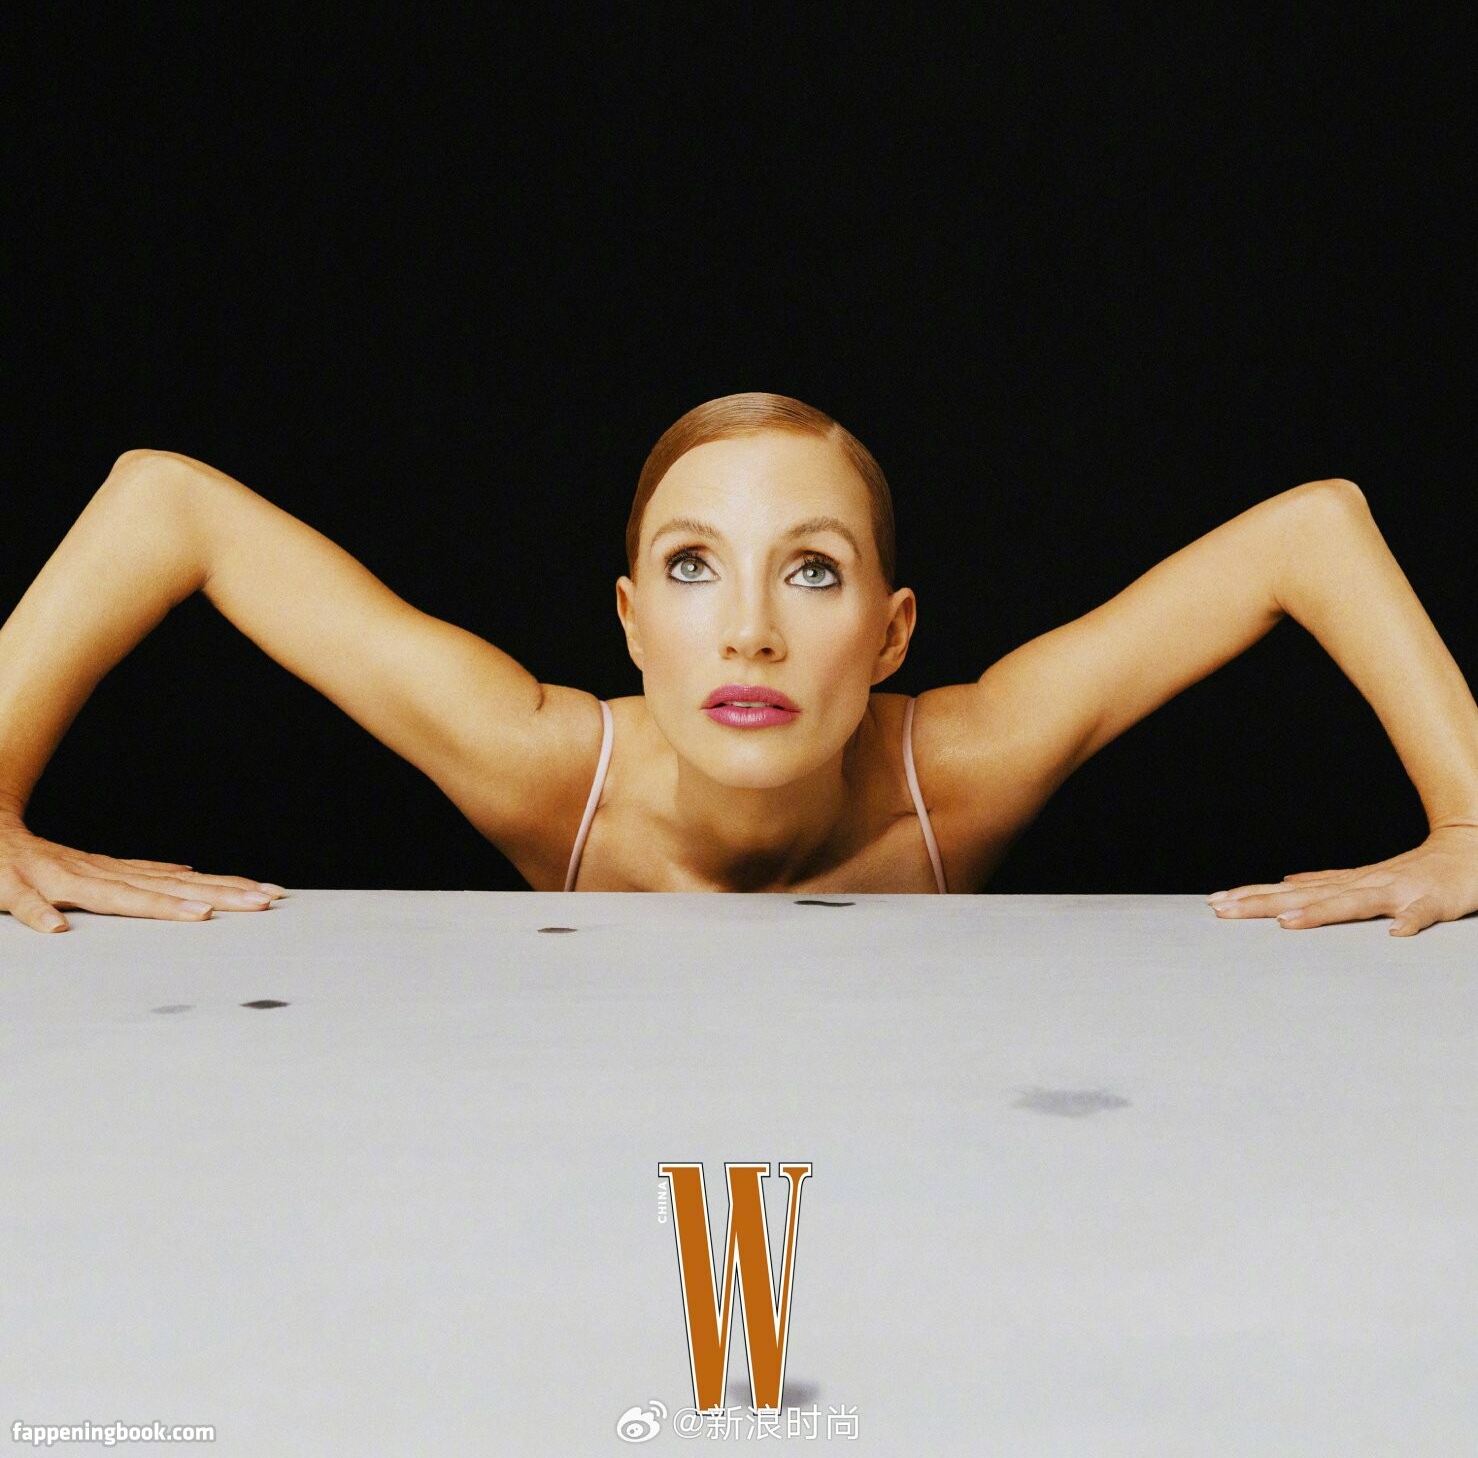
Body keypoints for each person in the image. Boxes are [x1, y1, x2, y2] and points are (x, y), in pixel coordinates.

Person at [3, 392, 1478, 935]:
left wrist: (1472, 821)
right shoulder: (544, 764)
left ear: (892, 634)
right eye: (692, 566)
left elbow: (1310, 531)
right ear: (630, 622)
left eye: (813, 569)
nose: (750, 629)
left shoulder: (956, 768)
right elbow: (165, 503)